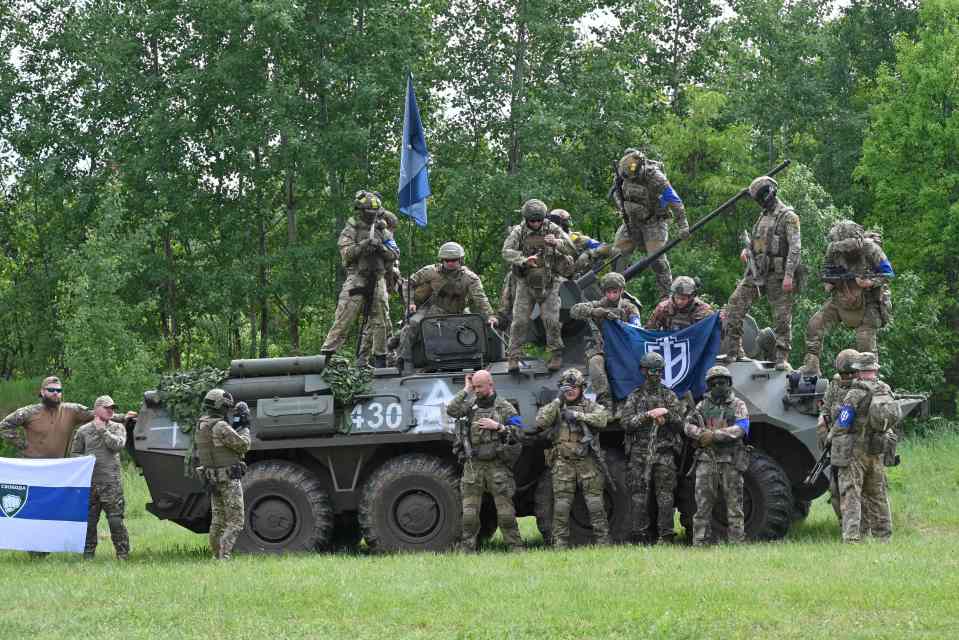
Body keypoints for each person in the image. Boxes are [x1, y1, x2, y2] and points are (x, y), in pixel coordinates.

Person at [722, 175, 802, 370]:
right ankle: (734, 351)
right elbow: (757, 241)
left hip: (779, 274)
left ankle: (782, 357)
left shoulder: (788, 216)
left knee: (782, 318)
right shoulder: (762, 217)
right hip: (757, 272)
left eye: (761, 196)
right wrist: (747, 250)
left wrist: (789, 275)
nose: (760, 200)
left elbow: (795, 248)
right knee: (734, 306)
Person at [527, 368, 610, 548]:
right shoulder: (556, 407)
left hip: (587, 462)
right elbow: (540, 422)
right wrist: (558, 400)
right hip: (563, 463)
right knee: (561, 507)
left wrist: (578, 415)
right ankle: (560, 545)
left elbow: (602, 419)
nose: (570, 390)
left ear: (582, 388)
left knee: (595, 505)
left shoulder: (590, 406)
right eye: (566, 387)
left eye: (574, 387)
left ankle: (603, 543)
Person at [801, 220, 894, 376]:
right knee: (814, 325)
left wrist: (870, 282)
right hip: (841, 297)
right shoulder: (833, 250)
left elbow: (888, 273)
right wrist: (830, 282)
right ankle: (811, 367)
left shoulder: (870, 249)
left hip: (867, 301)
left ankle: (870, 378)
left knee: (865, 343)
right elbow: (827, 274)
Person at [445, 370, 524, 551]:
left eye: (479, 387)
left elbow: (519, 433)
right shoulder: (470, 405)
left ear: (491, 384)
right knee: (469, 514)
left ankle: (516, 548)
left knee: (505, 513)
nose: (477, 390)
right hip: (474, 466)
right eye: (475, 387)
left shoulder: (504, 407)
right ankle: (467, 549)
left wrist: (498, 427)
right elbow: (451, 410)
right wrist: (465, 389)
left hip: (497, 465)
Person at [320, 190, 401, 363]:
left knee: (381, 320)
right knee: (344, 317)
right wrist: (363, 245)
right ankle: (327, 355)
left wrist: (381, 248)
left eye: (375, 211)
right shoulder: (351, 229)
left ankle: (381, 358)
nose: (371, 215)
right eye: (368, 211)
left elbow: (395, 253)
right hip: (357, 278)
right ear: (361, 211)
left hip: (378, 279)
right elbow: (347, 253)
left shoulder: (383, 230)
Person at [396, 242, 497, 372]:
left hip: (459, 312)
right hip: (434, 309)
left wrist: (490, 316)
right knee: (412, 325)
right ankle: (404, 360)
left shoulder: (470, 278)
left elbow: (480, 298)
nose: (450, 263)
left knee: (478, 326)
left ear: (460, 260)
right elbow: (408, 284)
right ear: (441, 259)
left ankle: (476, 360)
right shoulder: (430, 272)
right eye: (447, 260)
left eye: (454, 260)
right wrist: (410, 303)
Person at [502, 199, 576, 372]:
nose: (535, 224)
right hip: (525, 282)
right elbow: (506, 251)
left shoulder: (553, 229)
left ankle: (556, 354)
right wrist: (523, 260)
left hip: (550, 282)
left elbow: (572, 248)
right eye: (532, 221)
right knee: (519, 321)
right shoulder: (519, 232)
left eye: (538, 220)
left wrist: (557, 243)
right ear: (526, 219)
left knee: (551, 320)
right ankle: (513, 357)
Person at [619, 353, 685, 544]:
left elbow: (681, 424)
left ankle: (666, 536)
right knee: (639, 497)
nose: (655, 374)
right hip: (640, 454)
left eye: (659, 371)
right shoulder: (635, 396)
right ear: (643, 371)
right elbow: (626, 423)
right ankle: (640, 536)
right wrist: (647, 415)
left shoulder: (669, 395)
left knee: (665, 497)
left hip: (664, 453)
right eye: (651, 370)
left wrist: (667, 415)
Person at [829, 351, 894, 543]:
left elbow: (843, 422)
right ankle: (884, 536)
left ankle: (852, 538)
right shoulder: (885, 389)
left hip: (855, 452)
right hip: (877, 449)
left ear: (858, 370)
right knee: (878, 494)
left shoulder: (855, 392)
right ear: (875, 369)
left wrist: (832, 436)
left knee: (851, 493)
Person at [609, 149, 690, 298]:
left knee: (656, 259)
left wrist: (683, 225)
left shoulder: (655, 177)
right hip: (631, 221)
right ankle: (613, 291)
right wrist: (623, 207)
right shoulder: (623, 173)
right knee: (617, 254)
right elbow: (616, 192)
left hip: (654, 222)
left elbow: (673, 200)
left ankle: (667, 296)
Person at [684, 365, 750, 545]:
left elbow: (742, 428)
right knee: (702, 506)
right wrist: (700, 434)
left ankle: (736, 542)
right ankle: (700, 542)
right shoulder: (702, 405)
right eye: (713, 383)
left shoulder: (738, 405)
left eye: (722, 382)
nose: (718, 386)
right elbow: (687, 425)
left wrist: (714, 435)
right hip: (707, 460)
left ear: (729, 383)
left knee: (735, 506)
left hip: (731, 461)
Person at [1, 376, 134, 459]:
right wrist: (23, 446)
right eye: (51, 390)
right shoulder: (28, 412)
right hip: (32, 466)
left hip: (59, 467)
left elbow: (98, 413)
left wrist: (123, 417)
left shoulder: (72, 410)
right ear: (42, 392)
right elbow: (3, 427)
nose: (55, 393)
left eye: (58, 391)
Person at [569, 272, 642, 411]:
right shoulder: (598, 304)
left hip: (624, 348)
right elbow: (574, 310)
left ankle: (627, 402)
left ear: (621, 291)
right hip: (603, 348)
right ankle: (605, 403)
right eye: (608, 292)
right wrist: (596, 312)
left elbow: (636, 328)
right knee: (595, 363)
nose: (611, 295)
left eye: (615, 292)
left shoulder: (629, 308)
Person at [195, 389, 251, 560]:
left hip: (212, 480)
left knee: (218, 521)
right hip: (228, 480)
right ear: (221, 406)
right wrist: (246, 427)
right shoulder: (220, 426)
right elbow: (243, 445)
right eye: (226, 406)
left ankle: (215, 555)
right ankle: (223, 556)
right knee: (235, 521)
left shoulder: (201, 424)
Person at [71, 395, 130, 560]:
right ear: (97, 409)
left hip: (111, 482)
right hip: (90, 483)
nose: (111, 411)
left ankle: (122, 554)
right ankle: (88, 554)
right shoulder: (83, 431)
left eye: (113, 408)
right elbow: (75, 453)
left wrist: (102, 430)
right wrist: (84, 462)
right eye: (107, 408)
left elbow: (117, 446)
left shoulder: (118, 427)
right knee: (89, 521)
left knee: (115, 520)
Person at [359, 208, 401, 368]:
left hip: (383, 282)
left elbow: (394, 257)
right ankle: (373, 358)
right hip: (370, 282)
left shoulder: (386, 237)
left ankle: (377, 357)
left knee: (380, 321)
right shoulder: (364, 235)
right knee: (377, 322)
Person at [547, 208, 616, 278]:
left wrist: (595, 252)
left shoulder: (574, 237)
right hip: (560, 276)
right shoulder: (549, 239)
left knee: (590, 254)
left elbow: (597, 245)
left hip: (575, 274)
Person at [645, 276, 714, 331]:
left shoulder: (703, 310)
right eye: (677, 297)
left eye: (683, 299)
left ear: (691, 297)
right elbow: (649, 331)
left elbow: (711, 332)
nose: (679, 301)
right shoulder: (663, 308)